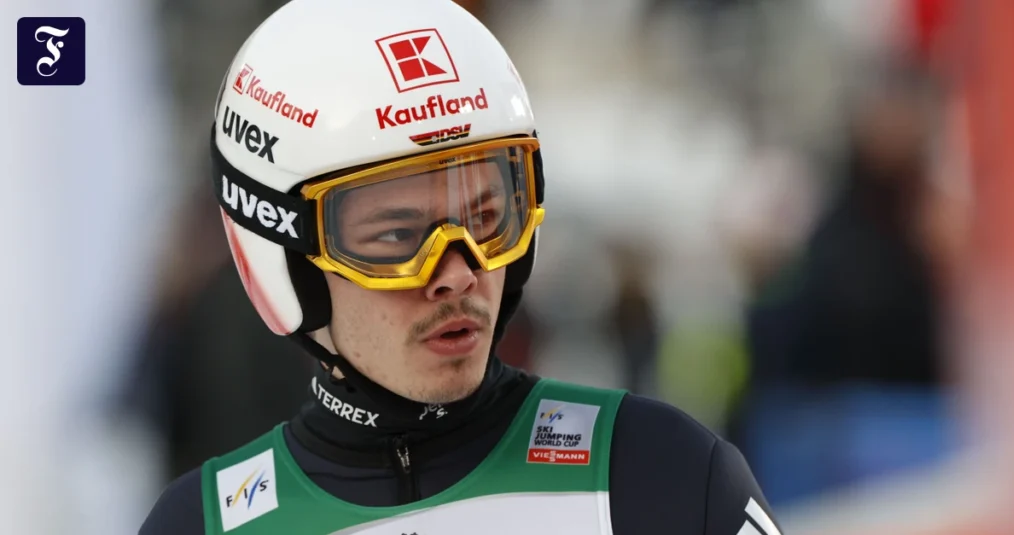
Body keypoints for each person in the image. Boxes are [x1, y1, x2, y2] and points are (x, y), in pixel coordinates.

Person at [139, 0, 782, 533]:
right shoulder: (201, 524)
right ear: (283, 255)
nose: (456, 273)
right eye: (397, 235)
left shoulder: (657, 473)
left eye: (484, 217)